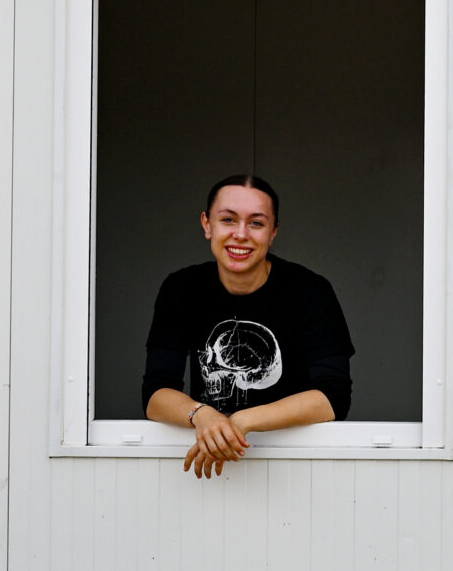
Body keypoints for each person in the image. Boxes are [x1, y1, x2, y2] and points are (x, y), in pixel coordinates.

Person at [143, 174, 354, 477]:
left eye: (256, 223)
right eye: (228, 219)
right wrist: (201, 415)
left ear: (273, 232)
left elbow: (333, 398)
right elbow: (155, 394)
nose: (240, 234)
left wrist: (240, 421)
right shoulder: (181, 289)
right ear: (207, 224)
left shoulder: (310, 291)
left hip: (295, 465)